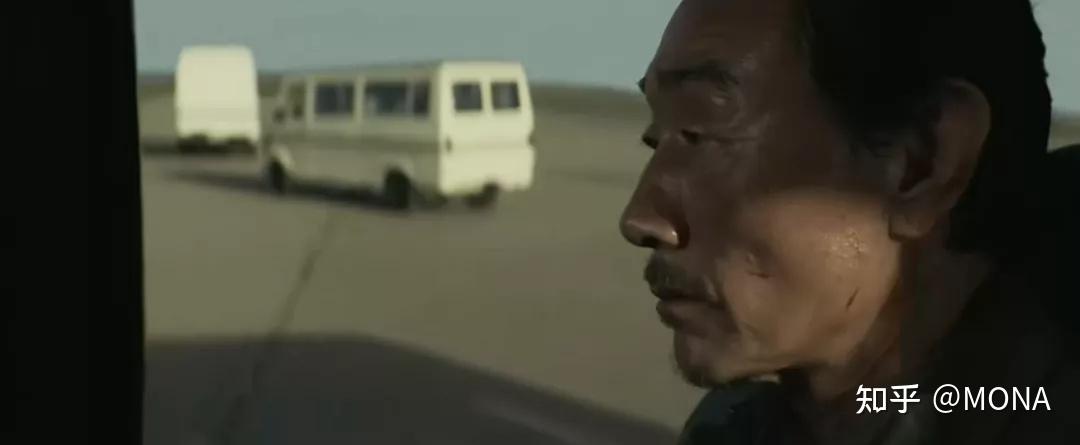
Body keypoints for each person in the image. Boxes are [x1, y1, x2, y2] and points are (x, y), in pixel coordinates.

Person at [618, 0, 1079, 443]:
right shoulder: (738, 428)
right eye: (655, 139)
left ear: (921, 162)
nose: (640, 220)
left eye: (698, 131)